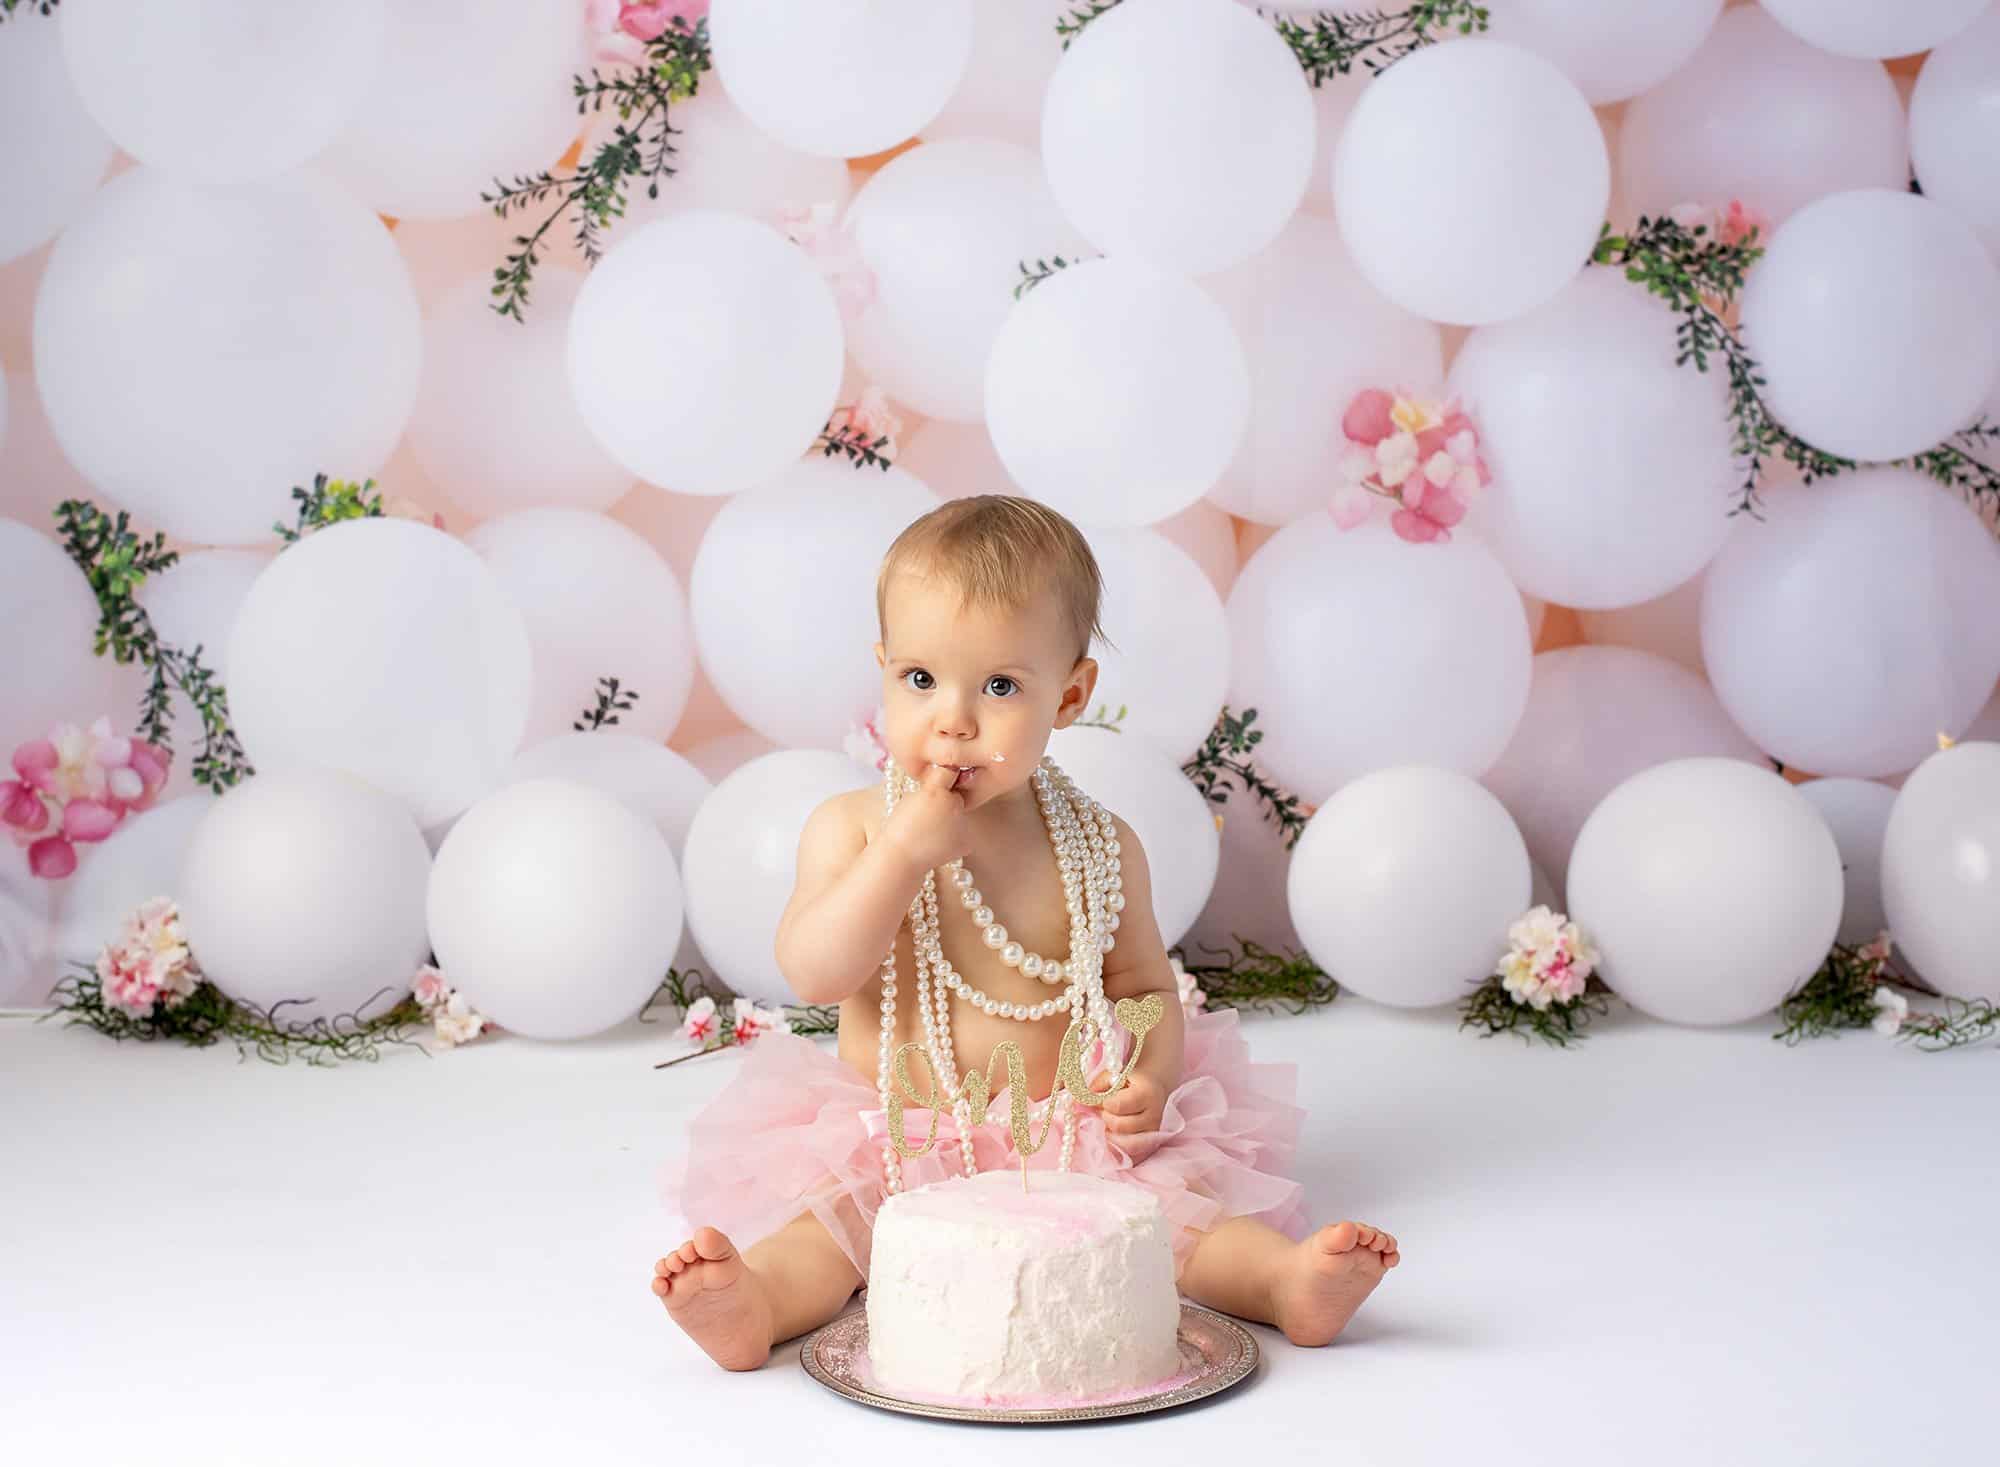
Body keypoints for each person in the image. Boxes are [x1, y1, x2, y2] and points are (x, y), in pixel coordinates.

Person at [652, 495, 1400, 1370]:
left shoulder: (1100, 845)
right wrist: (901, 855)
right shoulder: (853, 829)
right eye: (921, 680)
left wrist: (1150, 1080)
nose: (954, 719)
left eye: (1000, 686)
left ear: (1071, 694)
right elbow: (815, 972)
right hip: (901, 1125)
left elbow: (1145, 989)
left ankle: (1282, 1284)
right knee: (834, 1226)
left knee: (1178, 1220)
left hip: (1068, 1129)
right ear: (883, 669)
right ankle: (758, 1303)